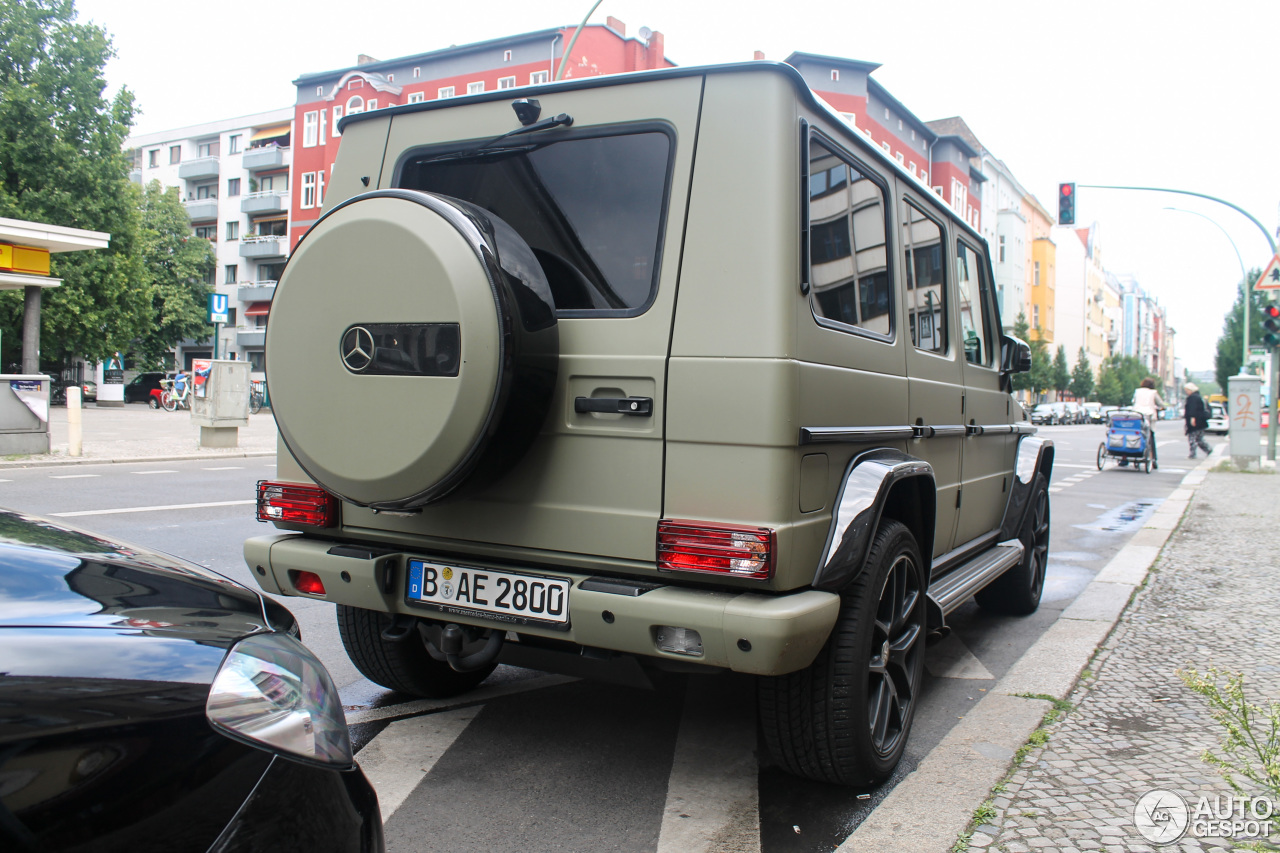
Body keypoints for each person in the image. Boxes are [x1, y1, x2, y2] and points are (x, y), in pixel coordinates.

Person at [1131, 377, 1166, 466]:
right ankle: (1153, 459)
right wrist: (1161, 408)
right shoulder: (1153, 393)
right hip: (1149, 416)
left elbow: (1133, 401)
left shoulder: (1137, 391)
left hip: (1137, 415)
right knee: (1150, 437)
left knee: (1136, 434)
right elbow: (1161, 404)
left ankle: (1132, 453)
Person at [1183, 382, 1212, 459]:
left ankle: (1193, 454)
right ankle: (1208, 450)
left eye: (1187, 390)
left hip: (1195, 421)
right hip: (1201, 421)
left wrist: (1192, 418)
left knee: (1192, 438)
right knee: (1199, 439)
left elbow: (1193, 409)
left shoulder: (1192, 398)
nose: (1186, 392)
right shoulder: (1199, 397)